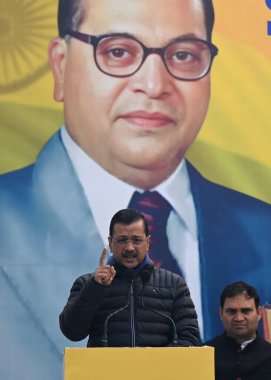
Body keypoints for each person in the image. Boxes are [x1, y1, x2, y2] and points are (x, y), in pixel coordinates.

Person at [0, 0, 271, 379]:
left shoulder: (263, 230)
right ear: (60, 66)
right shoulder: (27, 237)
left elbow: (193, 339)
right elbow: (72, 330)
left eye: (183, 54)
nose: (154, 84)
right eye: (117, 51)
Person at [59, 208, 199, 347]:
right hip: (107, 369)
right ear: (111, 243)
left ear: (148, 243)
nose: (129, 248)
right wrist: (95, 288)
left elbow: (190, 339)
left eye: (137, 240)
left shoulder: (174, 284)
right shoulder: (86, 284)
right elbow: (72, 332)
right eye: (122, 240)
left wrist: (153, 361)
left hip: (158, 369)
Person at [205, 281, 271, 380]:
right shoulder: (203, 355)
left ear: (259, 313)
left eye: (246, 311)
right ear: (221, 313)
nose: (239, 318)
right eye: (231, 311)